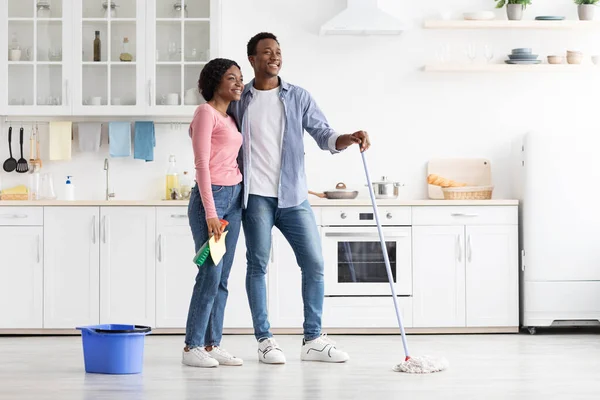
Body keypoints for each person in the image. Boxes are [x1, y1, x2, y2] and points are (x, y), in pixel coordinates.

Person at [228, 32, 371, 364]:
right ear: (252, 59)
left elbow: (324, 134)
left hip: (293, 196)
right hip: (255, 198)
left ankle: (313, 339)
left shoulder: (298, 97)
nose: (274, 56)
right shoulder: (239, 100)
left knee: (315, 264)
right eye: (266, 52)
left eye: (278, 51)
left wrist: (348, 138)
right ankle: (265, 340)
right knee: (258, 265)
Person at [183, 58, 245, 368]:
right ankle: (192, 345)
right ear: (215, 82)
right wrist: (210, 212)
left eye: (240, 78)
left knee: (222, 277)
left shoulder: (230, 117)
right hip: (213, 201)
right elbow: (202, 166)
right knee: (210, 273)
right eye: (231, 78)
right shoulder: (205, 113)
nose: (238, 83)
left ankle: (212, 343)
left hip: (233, 199)